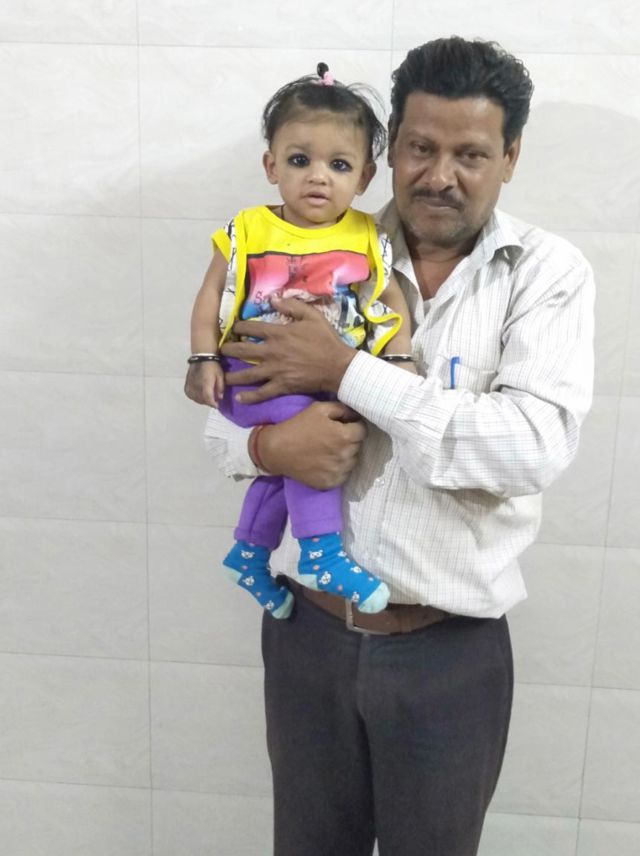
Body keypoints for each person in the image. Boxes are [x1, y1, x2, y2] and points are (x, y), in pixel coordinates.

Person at [199, 37, 595, 856]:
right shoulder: (309, 247)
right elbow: (223, 424)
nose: (438, 175)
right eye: (420, 148)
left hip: (451, 655)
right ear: (389, 152)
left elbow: (530, 448)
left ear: (510, 157)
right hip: (306, 636)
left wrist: (346, 372)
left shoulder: (547, 275)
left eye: (470, 154)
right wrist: (272, 450)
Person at [185, 64, 417, 618]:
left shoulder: (366, 236)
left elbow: (389, 298)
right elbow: (210, 292)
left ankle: (248, 554)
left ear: (364, 177)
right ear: (271, 166)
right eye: (299, 160)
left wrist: (401, 356)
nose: (318, 177)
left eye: (339, 165)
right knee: (314, 437)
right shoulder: (249, 229)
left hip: (324, 378)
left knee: (296, 455)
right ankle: (320, 552)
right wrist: (202, 357)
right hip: (254, 375)